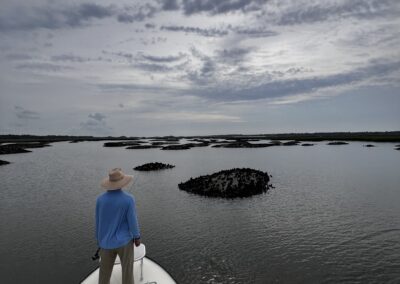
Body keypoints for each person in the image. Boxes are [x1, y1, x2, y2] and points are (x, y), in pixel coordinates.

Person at [96, 168, 141, 284]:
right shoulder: (129, 199)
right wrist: (137, 237)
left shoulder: (100, 200)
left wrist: (99, 239)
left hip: (105, 243)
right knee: (127, 272)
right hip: (125, 242)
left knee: (104, 274)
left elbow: (98, 221)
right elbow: (133, 220)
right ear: (122, 182)